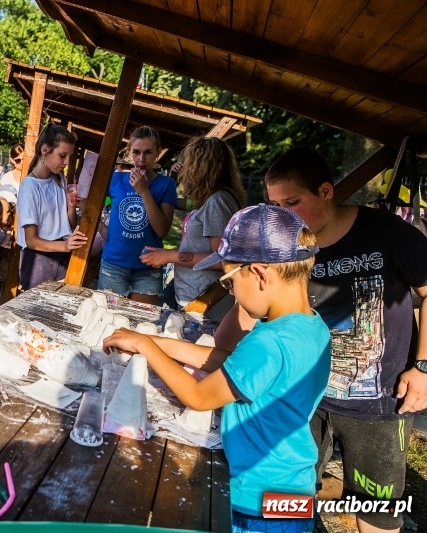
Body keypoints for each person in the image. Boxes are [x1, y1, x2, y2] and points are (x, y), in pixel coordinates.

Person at [216, 147, 427, 533]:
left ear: (326, 191)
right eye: (274, 204)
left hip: (378, 404)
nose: (283, 215)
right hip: (302, 397)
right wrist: (217, 351)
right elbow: (251, 304)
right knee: (289, 500)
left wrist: (424, 367)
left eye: (292, 202)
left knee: (376, 512)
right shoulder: (283, 246)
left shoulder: (387, 232)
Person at [104, 204, 330, 533]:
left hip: (257, 499)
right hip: (293, 486)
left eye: (229, 282)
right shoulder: (310, 328)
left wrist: (146, 347)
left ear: (261, 275)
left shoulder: (268, 343)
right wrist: (151, 342)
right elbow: (233, 364)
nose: (231, 292)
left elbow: (198, 396)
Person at [140, 136, 246, 320]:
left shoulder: (217, 202)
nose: (186, 170)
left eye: (189, 164)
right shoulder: (210, 198)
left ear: (202, 167)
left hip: (203, 300)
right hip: (190, 292)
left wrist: (170, 256)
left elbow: (223, 259)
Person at [95, 126, 177, 304]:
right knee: (108, 319)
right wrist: (103, 229)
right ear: (129, 152)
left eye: (148, 152)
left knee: (141, 323)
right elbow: (90, 206)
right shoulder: (115, 179)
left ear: (158, 152)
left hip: (147, 267)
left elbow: (162, 230)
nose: (141, 159)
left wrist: (145, 192)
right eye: (136, 152)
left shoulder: (166, 184)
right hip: (113, 264)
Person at [16, 124, 87, 290]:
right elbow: (31, 240)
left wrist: (71, 207)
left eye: (69, 156)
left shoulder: (59, 179)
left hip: (60, 255)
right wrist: (65, 246)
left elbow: (69, 226)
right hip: (38, 259)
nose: (67, 162)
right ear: (45, 149)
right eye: (62, 155)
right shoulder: (30, 187)